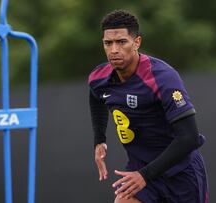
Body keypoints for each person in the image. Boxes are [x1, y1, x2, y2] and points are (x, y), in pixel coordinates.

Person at [88, 10, 209, 203]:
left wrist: (145, 175)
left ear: (136, 43)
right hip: (140, 170)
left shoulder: (162, 77)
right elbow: (96, 96)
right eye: (108, 43)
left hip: (180, 174)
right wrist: (99, 139)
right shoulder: (99, 77)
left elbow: (189, 137)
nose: (113, 50)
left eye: (121, 42)